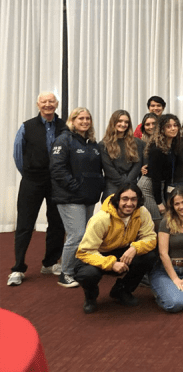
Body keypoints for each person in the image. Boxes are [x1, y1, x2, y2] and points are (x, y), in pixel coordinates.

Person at [8, 92, 68, 286]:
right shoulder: (26, 127)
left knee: (57, 223)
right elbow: (18, 155)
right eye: (44, 101)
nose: (47, 104)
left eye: (51, 101)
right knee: (25, 224)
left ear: (57, 104)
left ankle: (50, 263)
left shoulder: (65, 127)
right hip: (32, 181)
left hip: (56, 182)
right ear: (37, 104)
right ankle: (18, 268)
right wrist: (29, 173)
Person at [74, 183, 157, 314]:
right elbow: (84, 252)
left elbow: (151, 238)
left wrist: (135, 248)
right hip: (97, 254)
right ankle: (90, 297)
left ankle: (122, 290)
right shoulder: (101, 219)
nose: (129, 203)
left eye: (133, 199)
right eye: (125, 199)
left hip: (124, 250)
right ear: (117, 200)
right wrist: (111, 264)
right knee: (88, 274)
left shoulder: (142, 212)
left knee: (149, 256)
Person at [50, 107, 105, 288]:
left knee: (85, 235)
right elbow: (57, 168)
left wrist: (98, 186)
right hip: (70, 197)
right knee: (76, 234)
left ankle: (76, 268)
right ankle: (65, 273)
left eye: (87, 118)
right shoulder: (64, 139)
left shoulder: (92, 143)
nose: (85, 121)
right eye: (80, 118)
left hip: (89, 197)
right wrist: (74, 186)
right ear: (72, 121)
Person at [139, 114, 181, 224]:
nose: (173, 128)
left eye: (175, 125)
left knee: (165, 220)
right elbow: (156, 178)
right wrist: (159, 202)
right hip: (148, 188)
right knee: (157, 221)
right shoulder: (156, 148)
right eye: (168, 126)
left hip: (160, 188)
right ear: (162, 129)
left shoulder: (172, 146)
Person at [100, 110, 145, 201]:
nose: (123, 124)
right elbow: (108, 168)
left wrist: (129, 183)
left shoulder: (137, 143)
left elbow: (137, 164)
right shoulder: (103, 144)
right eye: (120, 121)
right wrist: (124, 184)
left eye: (126, 122)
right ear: (113, 122)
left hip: (132, 183)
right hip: (112, 184)